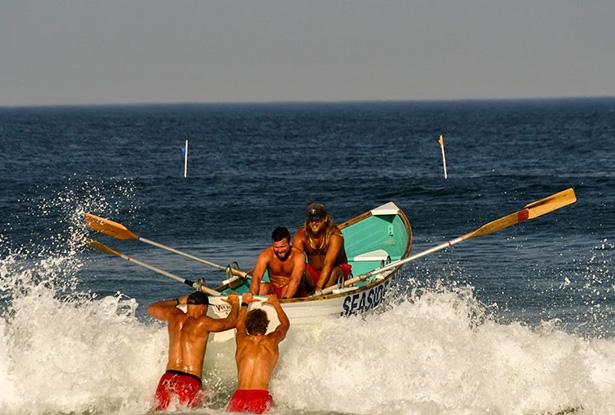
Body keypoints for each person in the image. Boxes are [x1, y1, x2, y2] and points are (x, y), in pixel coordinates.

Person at [147, 291, 239, 411]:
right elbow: (230, 322)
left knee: (158, 411)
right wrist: (235, 303)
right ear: (203, 307)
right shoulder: (203, 322)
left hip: (168, 378)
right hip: (189, 380)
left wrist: (178, 301)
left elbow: (152, 308)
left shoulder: (174, 315)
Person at [227, 293, 290, 414]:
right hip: (260, 397)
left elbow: (239, 325)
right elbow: (285, 325)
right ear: (266, 326)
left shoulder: (241, 340)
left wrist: (245, 302)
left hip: (238, 397)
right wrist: (276, 304)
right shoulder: (271, 341)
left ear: (247, 326)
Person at [293, 202, 352, 295]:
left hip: (335, 273)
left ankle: (324, 295)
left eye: (317, 220)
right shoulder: (301, 235)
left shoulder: (335, 235)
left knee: (334, 271)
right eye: (311, 220)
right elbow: (295, 261)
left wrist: (319, 288)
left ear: (325, 219)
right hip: (314, 273)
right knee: (300, 268)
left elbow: (328, 264)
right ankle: (301, 295)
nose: (314, 223)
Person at [249, 226, 305, 299]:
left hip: (291, 289)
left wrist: (284, 301)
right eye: (276, 247)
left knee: (287, 287)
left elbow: (295, 280)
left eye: (283, 247)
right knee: (263, 287)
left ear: (290, 243)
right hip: (274, 288)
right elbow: (256, 277)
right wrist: (252, 295)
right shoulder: (266, 255)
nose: (279, 250)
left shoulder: (298, 256)